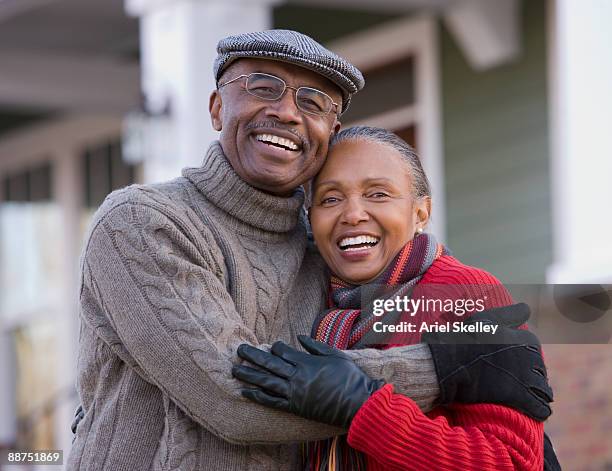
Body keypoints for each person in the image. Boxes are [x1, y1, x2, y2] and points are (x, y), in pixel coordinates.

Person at [67, 31, 552, 470]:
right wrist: (446, 367)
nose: (287, 112)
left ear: (330, 132)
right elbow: (234, 400)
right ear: (216, 107)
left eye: (314, 101)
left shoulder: (333, 257)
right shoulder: (142, 221)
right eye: (262, 86)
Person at [233, 126, 553, 470]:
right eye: (330, 198)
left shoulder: (465, 292)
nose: (352, 214)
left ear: (421, 213)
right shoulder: (304, 300)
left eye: (378, 194)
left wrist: (363, 408)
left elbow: (514, 462)